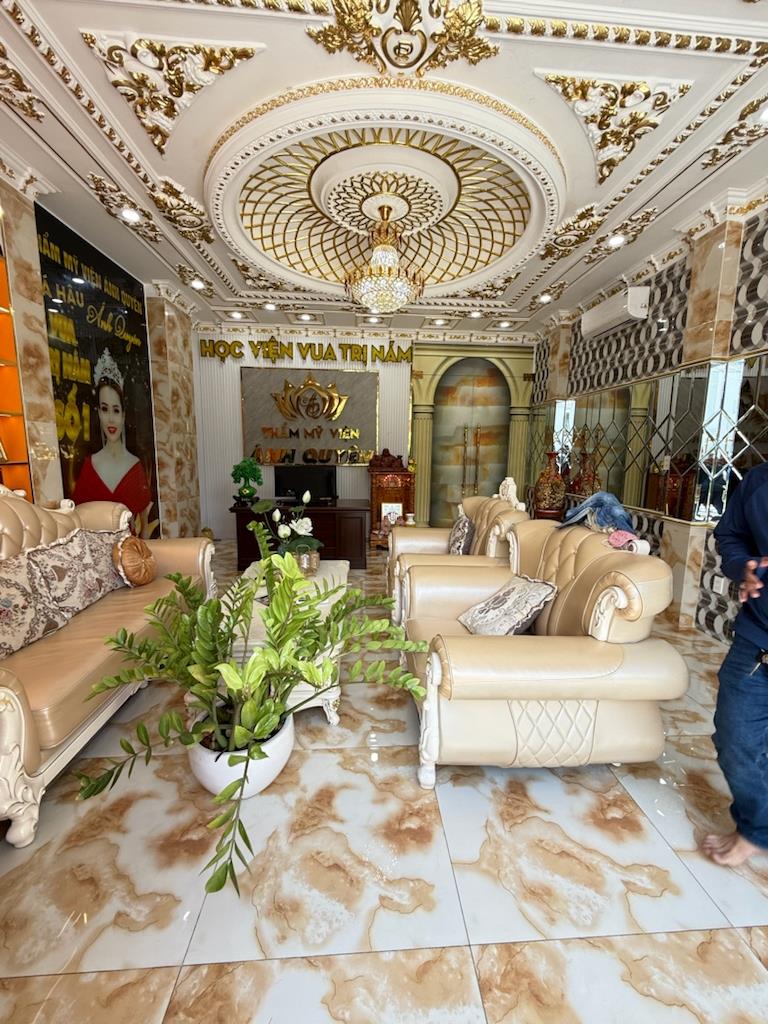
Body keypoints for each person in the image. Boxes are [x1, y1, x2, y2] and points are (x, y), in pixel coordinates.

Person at [702, 461, 768, 866]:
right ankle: (757, 828)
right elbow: (730, 535)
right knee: (735, 740)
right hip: (757, 641)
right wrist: (741, 566)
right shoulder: (759, 482)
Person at [73, 348, 156, 537]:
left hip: (129, 548)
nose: (111, 419)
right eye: (105, 409)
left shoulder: (135, 466)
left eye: (116, 410)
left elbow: (144, 528)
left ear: (123, 415)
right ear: (98, 413)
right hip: (93, 548)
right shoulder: (88, 467)